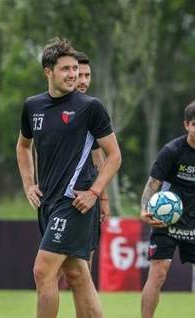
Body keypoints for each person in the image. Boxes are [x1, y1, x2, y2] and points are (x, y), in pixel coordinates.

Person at [16, 38, 121, 318]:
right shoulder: (33, 106)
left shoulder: (90, 107)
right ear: (48, 72)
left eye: (76, 68)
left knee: (43, 270)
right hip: (48, 203)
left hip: (75, 202)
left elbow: (114, 156)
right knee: (77, 274)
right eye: (66, 69)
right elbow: (23, 146)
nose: (74, 75)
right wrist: (28, 184)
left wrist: (95, 192)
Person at [139, 100, 195, 318]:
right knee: (158, 273)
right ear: (186, 125)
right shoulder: (172, 150)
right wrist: (144, 208)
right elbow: (153, 183)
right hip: (167, 219)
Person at [75, 51, 109, 271]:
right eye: (80, 74)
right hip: (59, 196)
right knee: (52, 264)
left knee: (86, 260)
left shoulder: (92, 109)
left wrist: (103, 199)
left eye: (88, 75)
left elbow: (100, 159)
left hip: (88, 195)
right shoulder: (46, 108)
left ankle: (85, 307)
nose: (84, 81)